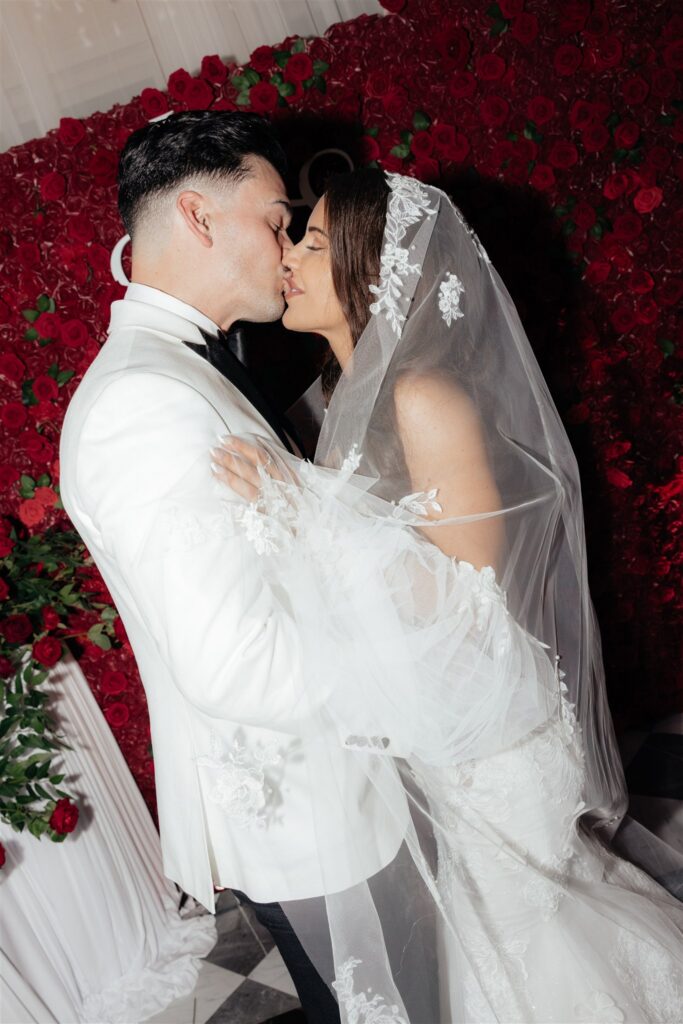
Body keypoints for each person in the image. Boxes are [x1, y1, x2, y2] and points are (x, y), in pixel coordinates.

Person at [211, 168, 683, 1022]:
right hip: (444, 718)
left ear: (370, 268)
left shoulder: (421, 395)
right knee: (495, 930)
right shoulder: (340, 396)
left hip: (492, 730)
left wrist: (300, 511)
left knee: (527, 928)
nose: (288, 260)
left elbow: (465, 588)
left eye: (312, 245)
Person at [59, 113, 415, 1024]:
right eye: (275, 218)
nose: (288, 244)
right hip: (308, 809)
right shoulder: (143, 401)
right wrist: (410, 668)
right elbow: (234, 663)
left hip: (331, 796)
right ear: (197, 215)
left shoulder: (183, 367)